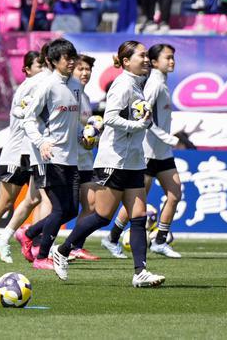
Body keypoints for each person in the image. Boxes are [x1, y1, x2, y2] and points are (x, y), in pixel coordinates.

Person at [51, 41, 166, 288]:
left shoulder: (138, 84)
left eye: (147, 56)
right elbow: (110, 118)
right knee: (102, 216)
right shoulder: (122, 85)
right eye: (142, 56)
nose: (146, 59)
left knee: (139, 216)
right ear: (126, 61)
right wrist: (137, 125)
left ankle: (140, 272)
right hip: (114, 161)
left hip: (133, 161)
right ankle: (62, 250)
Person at [106, 43, 183, 260]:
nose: (172, 61)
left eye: (173, 57)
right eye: (167, 58)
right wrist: (167, 137)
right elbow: (143, 117)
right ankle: (112, 238)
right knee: (136, 200)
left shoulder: (163, 84)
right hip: (148, 151)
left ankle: (159, 241)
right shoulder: (153, 85)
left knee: (175, 194)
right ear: (155, 61)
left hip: (163, 153)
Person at [0, 51, 45, 263]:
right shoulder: (28, 89)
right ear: (27, 70)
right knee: (5, 203)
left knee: (36, 198)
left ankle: (19, 239)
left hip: (32, 152)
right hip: (17, 153)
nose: (42, 71)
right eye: (38, 66)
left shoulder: (40, 88)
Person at [17, 39, 82, 272]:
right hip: (50, 157)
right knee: (58, 209)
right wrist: (42, 142)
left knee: (72, 210)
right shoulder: (46, 86)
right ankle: (41, 256)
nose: (72, 60)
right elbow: (28, 119)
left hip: (71, 157)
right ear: (54, 61)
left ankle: (30, 232)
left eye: (73, 55)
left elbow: (73, 121)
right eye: (67, 57)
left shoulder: (75, 85)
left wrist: (84, 134)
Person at [65, 55, 101, 261]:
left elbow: (86, 130)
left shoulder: (85, 96)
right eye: (81, 69)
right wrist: (83, 136)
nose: (85, 73)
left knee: (91, 205)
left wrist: (94, 133)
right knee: (64, 208)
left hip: (86, 159)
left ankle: (75, 246)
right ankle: (33, 237)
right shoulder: (71, 94)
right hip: (71, 160)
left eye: (88, 69)